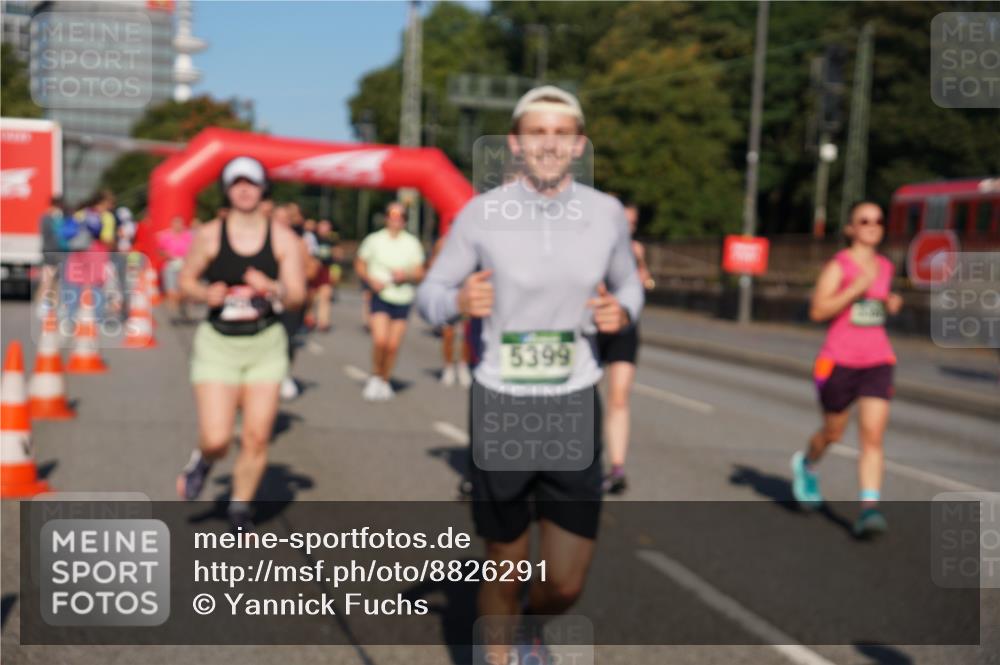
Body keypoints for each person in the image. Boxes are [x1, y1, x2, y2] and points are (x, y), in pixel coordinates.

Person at [416, 85, 643, 662]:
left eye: (561, 133)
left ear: (579, 145)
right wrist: (456, 301)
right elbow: (429, 295)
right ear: (515, 143)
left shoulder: (606, 214)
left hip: (572, 402)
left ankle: (528, 629)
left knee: (564, 583)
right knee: (505, 562)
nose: (549, 143)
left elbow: (630, 284)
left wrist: (623, 311)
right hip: (503, 401)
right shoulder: (481, 214)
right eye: (536, 132)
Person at [175, 156, 305, 531]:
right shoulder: (210, 235)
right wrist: (205, 293)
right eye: (237, 183)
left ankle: (239, 507)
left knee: (257, 436)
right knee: (217, 438)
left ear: (263, 188)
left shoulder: (284, 239)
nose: (245, 189)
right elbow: (186, 281)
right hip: (218, 345)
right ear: (227, 190)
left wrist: (273, 288)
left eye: (251, 182)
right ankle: (204, 459)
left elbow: (297, 295)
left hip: (265, 344)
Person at [791, 201, 903, 538]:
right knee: (833, 433)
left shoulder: (885, 266)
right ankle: (807, 464)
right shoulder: (838, 266)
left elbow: (875, 304)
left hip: (878, 359)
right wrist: (854, 289)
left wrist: (889, 302)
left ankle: (869, 509)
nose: (872, 225)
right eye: (864, 220)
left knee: (872, 436)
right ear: (850, 228)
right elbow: (817, 311)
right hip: (838, 360)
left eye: (878, 220)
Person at [598, 201, 654, 494]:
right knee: (581, 396)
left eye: (632, 223)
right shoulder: (589, 243)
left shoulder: (635, 249)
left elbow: (645, 285)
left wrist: (640, 264)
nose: (628, 227)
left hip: (624, 329)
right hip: (591, 326)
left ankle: (617, 468)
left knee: (619, 398)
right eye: (624, 220)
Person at [355, 201, 426, 401]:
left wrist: (406, 275)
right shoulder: (374, 240)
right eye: (392, 216)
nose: (396, 221)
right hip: (380, 295)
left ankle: (385, 380)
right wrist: (370, 280)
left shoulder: (412, 243)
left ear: (405, 221)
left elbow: (420, 273)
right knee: (380, 340)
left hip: (402, 297)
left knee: (393, 345)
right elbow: (360, 263)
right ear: (386, 218)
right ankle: (375, 376)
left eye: (400, 217)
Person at [271, 203, 312, 400]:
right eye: (278, 218)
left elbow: (310, 269)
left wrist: (294, 279)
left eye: (285, 219)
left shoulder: (298, 242)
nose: (282, 222)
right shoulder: (259, 240)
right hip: (267, 298)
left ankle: (284, 374)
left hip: (290, 298)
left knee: (287, 339)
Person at [430, 235, 473, 388]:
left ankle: (463, 366)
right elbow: (434, 265)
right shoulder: (442, 242)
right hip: (448, 294)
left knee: (466, 335)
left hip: (466, 293)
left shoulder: (471, 242)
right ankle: (448, 367)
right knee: (448, 334)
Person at [156, 216, 195, 320]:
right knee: (171, 291)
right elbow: (159, 251)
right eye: (176, 223)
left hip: (185, 266)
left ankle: (182, 308)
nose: (178, 226)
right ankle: (173, 315)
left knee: (185, 291)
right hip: (170, 265)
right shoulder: (166, 236)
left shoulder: (188, 235)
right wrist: (167, 255)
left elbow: (195, 250)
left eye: (180, 223)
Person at [36, 196, 67, 318]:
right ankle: (42, 306)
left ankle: (55, 306)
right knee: (47, 280)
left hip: (60, 253)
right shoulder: (46, 218)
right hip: (49, 253)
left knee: (58, 282)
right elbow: (48, 235)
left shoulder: (60, 218)